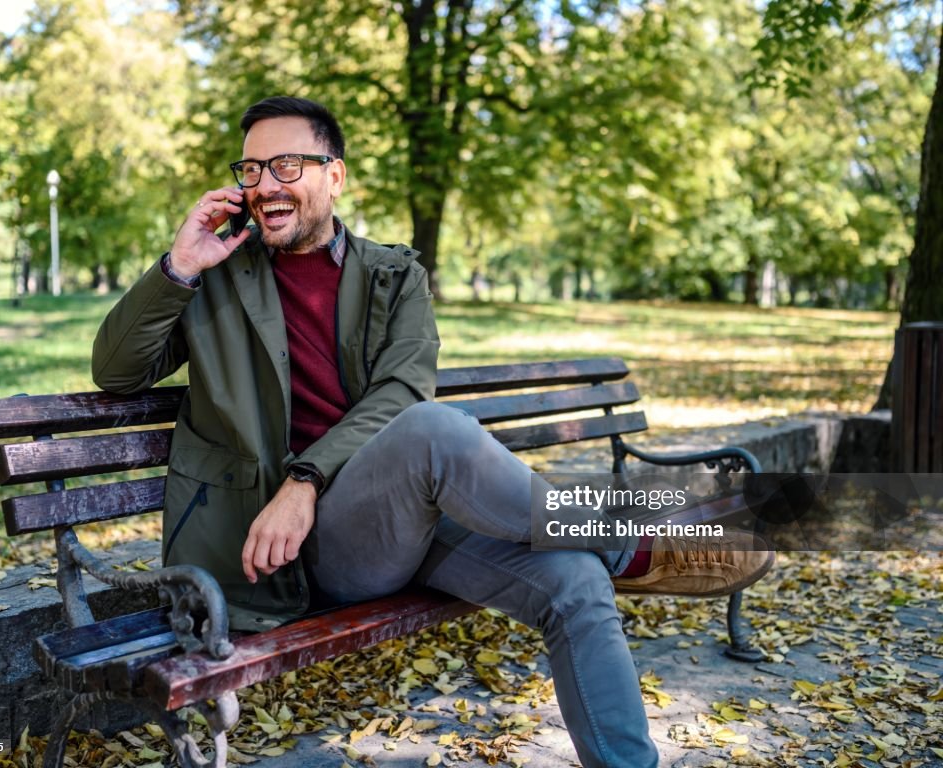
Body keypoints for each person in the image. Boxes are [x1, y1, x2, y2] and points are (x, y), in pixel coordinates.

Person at [92, 96, 774, 768]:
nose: (266, 184)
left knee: (574, 583)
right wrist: (179, 266)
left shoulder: (393, 277)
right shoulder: (214, 274)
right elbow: (116, 372)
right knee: (434, 433)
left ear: (335, 175)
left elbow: (400, 387)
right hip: (282, 557)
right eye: (251, 170)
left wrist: (308, 479)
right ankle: (628, 543)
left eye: (287, 166)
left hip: (393, 526)